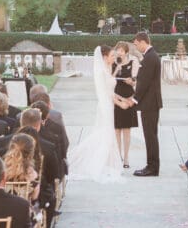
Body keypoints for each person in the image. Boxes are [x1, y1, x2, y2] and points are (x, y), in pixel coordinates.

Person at [67, 46, 124, 182]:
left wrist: (122, 99)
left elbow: (110, 88)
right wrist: (120, 102)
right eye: (111, 56)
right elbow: (107, 93)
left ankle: (107, 163)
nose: (114, 58)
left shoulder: (107, 69)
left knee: (107, 134)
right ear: (104, 57)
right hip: (105, 106)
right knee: (106, 134)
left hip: (109, 105)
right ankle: (97, 163)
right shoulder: (101, 72)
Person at [131, 32, 162, 177]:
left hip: (149, 103)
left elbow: (144, 83)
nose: (136, 47)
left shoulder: (150, 57)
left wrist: (135, 99)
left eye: (136, 44)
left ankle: (152, 167)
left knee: (150, 136)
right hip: (150, 103)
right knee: (151, 135)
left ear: (143, 42)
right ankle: (152, 166)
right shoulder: (151, 56)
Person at [112, 41, 139, 169]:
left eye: (122, 51)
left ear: (126, 52)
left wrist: (131, 82)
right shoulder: (113, 63)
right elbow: (109, 79)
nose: (119, 52)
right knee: (117, 129)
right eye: (118, 50)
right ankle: (118, 156)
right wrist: (117, 66)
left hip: (128, 98)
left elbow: (135, 81)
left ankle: (126, 158)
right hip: (116, 98)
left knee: (127, 130)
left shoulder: (133, 62)